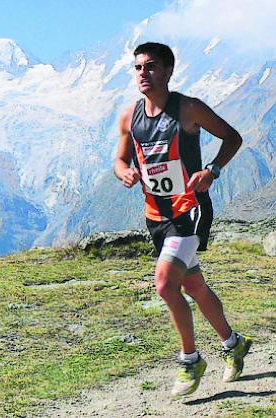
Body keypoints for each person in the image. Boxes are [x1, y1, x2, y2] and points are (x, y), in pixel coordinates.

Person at [114, 42, 251, 398]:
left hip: (190, 212)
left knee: (164, 285)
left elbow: (232, 137)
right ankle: (233, 344)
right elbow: (119, 160)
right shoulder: (130, 116)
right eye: (138, 67)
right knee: (193, 287)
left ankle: (190, 360)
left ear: (168, 71)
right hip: (155, 216)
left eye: (151, 66)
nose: (143, 73)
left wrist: (212, 170)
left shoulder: (189, 109)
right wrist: (124, 172)